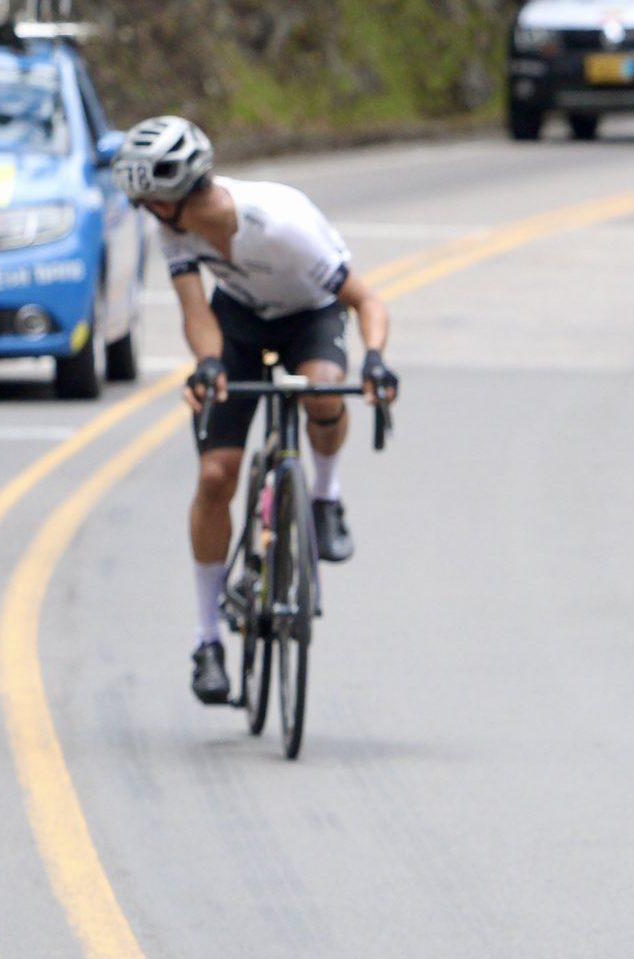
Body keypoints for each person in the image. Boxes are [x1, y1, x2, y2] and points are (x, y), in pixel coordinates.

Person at [110, 116, 397, 705]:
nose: (145, 209)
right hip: (239, 318)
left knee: (320, 391)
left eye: (150, 199)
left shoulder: (281, 226)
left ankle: (325, 497)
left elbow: (366, 299)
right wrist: (209, 364)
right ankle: (207, 639)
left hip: (309, 314)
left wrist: (374, 361)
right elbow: (197, 313)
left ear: (178, 193)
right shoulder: (176, 229)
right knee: (216, 476)